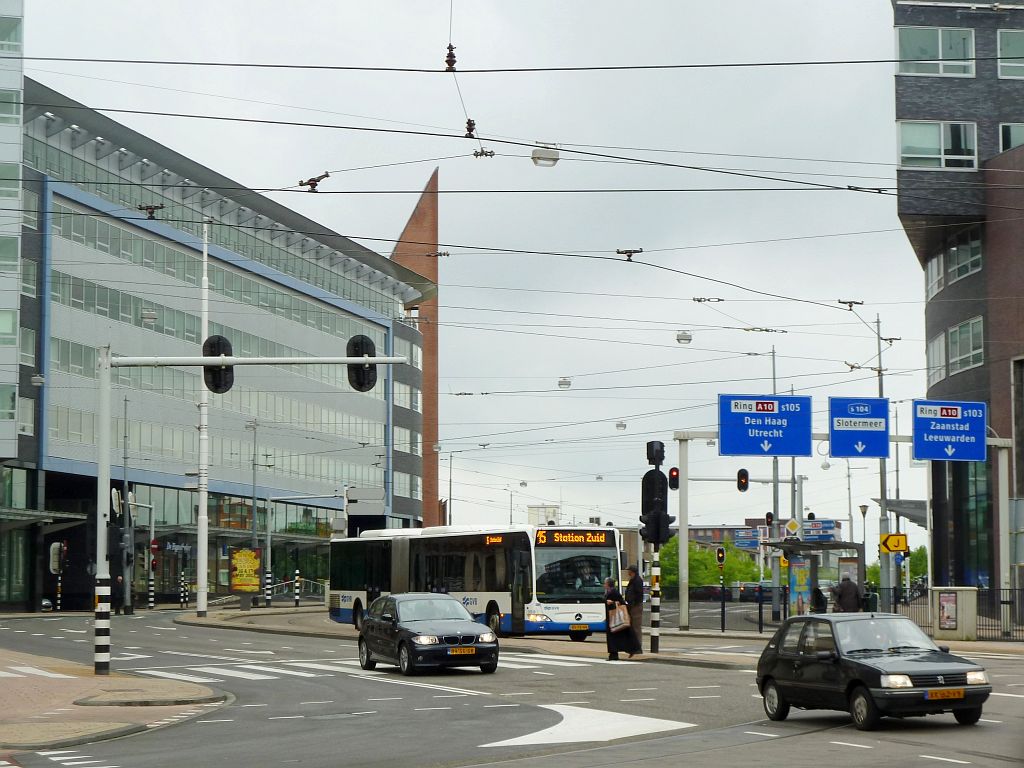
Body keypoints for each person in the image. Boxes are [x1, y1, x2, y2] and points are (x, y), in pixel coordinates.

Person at [603, 577, 640, 660]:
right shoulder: (609, 592)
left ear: (608, 584)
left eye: (605, 583)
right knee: (614, 636)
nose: (604, 585)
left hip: (615, 618)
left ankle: (615, 654)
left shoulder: (614, 592)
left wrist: (612, 602)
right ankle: (614, 654)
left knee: (613, 636)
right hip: (612, 617)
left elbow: (621, 602)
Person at [624, 565, 644, 653]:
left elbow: (639, 593)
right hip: (632, 606)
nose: (627, 572)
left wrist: (633, 603)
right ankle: (633, 646)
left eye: (629, 570)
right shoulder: (633, 580)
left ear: (632, 571)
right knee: (632, 627)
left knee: (636, 627)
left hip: (635, 606)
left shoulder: (637, 581)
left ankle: (638, 647)